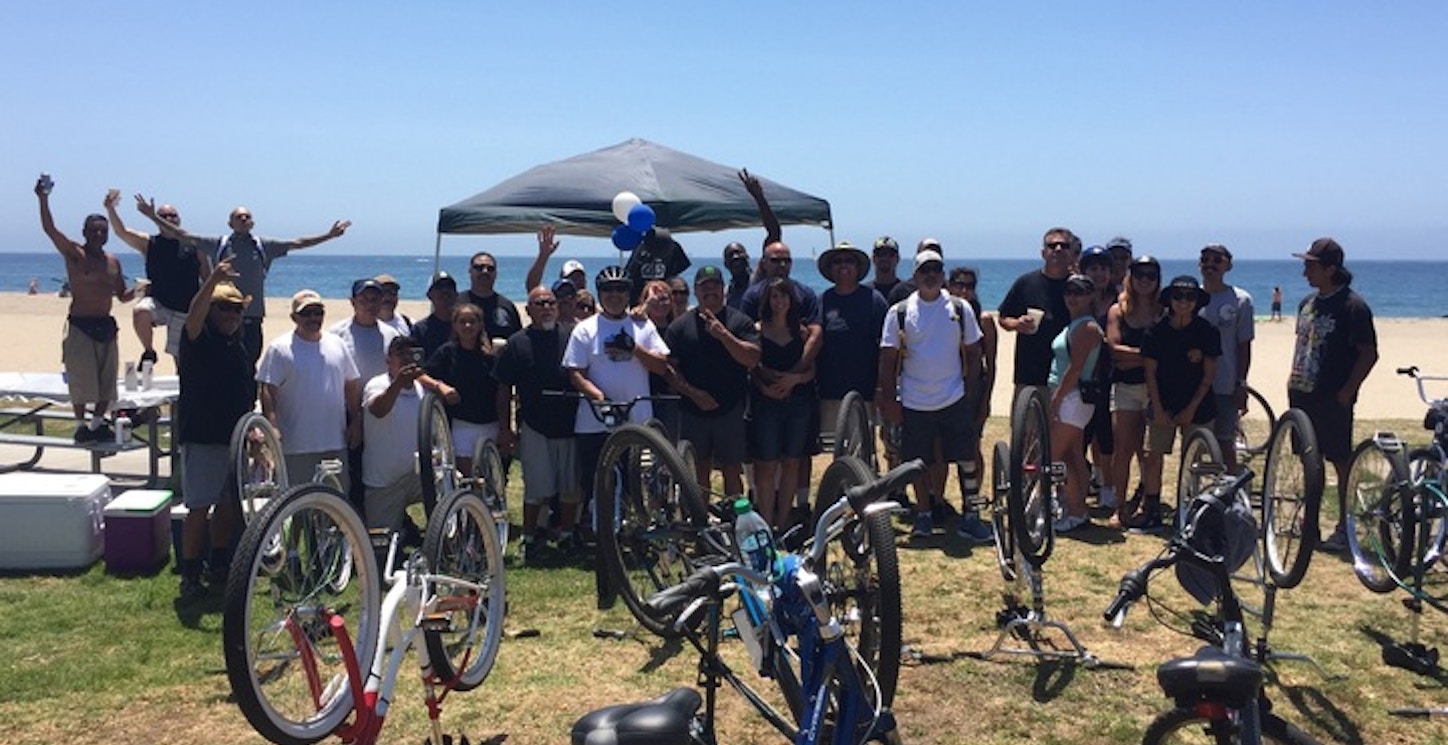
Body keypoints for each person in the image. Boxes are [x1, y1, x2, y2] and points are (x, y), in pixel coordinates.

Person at [140, 200, 349, 364]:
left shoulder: (263, 246)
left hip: (252, 318)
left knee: (247, 368)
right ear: (230, 223)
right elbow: (183, 234)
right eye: (238, 217)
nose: (243, 219)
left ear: (253, 222)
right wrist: (153, 218)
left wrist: (329, 236)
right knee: (218, 368)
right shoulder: (218, 244)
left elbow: (298, 243)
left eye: (247, 216)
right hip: (220, 318)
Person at [878, 250, 988, 542]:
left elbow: (975, 351)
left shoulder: (960, 308)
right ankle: (923, 515)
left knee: (966, 458)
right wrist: (890, 400)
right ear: (915, 275)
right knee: (917, 462)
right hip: (914, 400)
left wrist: (969, 388)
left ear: (942, 274)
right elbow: (888, 359)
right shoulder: (899, 313)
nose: (931, 275)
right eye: (924, 269)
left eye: (936, 269)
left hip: (953, 397)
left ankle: (972, 516)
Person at [563, 266, 671, 561]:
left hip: (638, 417)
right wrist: (597, 396)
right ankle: (602, 538)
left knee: (639, 480)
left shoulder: (643, 326)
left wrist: (634, 348)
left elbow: (661, 366)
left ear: (628, 294)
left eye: (620, 290)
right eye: (608, 290)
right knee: (598, 481)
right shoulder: (585, 329)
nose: (614, 296)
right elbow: (575, 372)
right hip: (595, 419)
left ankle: (638, 534)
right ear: (600, 294)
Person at [1288, 238, 1378, 553]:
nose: (1305, 272)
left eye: (1311, 265)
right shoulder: (1307, 304)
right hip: (1302, 395)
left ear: (1331, 268)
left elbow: (1368, 353)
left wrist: (1347, 391)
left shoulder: (1352, 307)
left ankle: (1344, 526)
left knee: (1340, 461)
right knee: (1309, 462)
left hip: (1332, 397)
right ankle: (1309, 525)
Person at [174, 259, 254, 598]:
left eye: (237, 310)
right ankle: (190, 571)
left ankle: (218, 562)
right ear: (210, 309)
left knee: (227, 505)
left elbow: (246, 394)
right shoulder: (196, 338)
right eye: (223, 308)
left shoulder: (238, 347)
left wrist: (253, 433)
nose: (231, 315)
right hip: (203, 437)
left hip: (234, 439)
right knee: (198, 507)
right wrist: (212, 282)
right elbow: (194, 312)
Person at [35, 178, 136, 443]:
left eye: (103, 231)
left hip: (106, 325)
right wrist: (43, 198)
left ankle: (97, 423)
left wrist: (142, 290)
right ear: (85, 231)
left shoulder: (113, 262)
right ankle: (81, 424)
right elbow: (49, 229)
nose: (99, 235)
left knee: (106, 380)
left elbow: (123, 296)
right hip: (80, 325)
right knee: (81, 379)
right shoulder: (75, 254)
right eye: (94, 231)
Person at [495, 285, 584, 561]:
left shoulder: (572, 338)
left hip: (571, 424)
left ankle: (567, 536)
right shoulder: (517, 343)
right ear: (528, 310)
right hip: (534, 425)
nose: (546, 307)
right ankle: (531, 537)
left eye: (550, 302)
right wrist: (505, 427)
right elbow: (503, 388)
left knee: (571, 488)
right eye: (539, 303)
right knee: (536, 488)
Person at [664, 265, 760, 499]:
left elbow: (752, 358)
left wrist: (724, 335)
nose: (710, 291)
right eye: (704, 286)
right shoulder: (679, 326)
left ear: (724, 289)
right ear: (696, 291)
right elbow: (669, 370)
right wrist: (694, 393)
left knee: (731, 469)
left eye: (715, 285)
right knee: (699, 469)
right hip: (692, 411)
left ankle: (734, 519)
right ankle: (700, 519)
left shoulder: (740, 322)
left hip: (730, 410)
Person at [1133, 275, 1220, 532]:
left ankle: (1192, 510)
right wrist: (1158, 408)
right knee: (1153, 456)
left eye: (1189, 297)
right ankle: (1152, 510)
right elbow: (1150, 373)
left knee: (1195, 460)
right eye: (1178, 296)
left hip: (1200, 405)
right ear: (1169, 300)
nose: (1183, 302)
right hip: (1163, 401)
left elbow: (1209, 374)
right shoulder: (1156, 331)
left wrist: (1191, 408)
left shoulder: (1207, 332)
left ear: (1197, 301)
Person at [257, 290, 362, 499]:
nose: (313, 318)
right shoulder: (280, 348)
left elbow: (351, 384)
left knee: (336, 504)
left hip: (334, 443)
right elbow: (267, 389)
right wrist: (272, 425)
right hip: (295, 446)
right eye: (307, 314)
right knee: (295, 507)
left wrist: (356, 421)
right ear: (294, 318)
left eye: (318, 312)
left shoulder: (337, 344)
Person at [362, 337, 455, 533]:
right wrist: (397, 384)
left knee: (454, 487)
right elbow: (378, 410)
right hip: (385, 481)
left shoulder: (422, 389)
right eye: (400, 355)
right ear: (389, 360)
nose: (406, 359)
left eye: (411, 354)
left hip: (419, 476)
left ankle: (450, 545)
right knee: (381, 546)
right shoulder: (377, 384)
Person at [749, 278, 818, 531]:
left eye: (784, 297)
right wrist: (764, 386)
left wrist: (794, 379)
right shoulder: (757, 330)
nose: (780, 302)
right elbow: (752, 368)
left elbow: (812, 371)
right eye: (775, 297)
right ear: (767, 300)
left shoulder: (801, 332)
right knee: (766, 464)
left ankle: (783, 522)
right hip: (765, 405)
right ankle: (766, 523)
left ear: (792, 300)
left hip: (798, 403)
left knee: (792, 462)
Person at [104, 192, 202, 367]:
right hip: (160, 303)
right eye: (164, 216)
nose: (169, 219)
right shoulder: (149, 243)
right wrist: (110, 209)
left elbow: (207, 276)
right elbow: (122, 232)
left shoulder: (192, 244)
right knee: (140, 311)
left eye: (173, 215)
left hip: (185, 307)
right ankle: (149, 351)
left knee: (182, 359)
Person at [330, 278, 401, 511]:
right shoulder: (337, 334)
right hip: (348, 414)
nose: (370, 304)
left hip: (381, 411)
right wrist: (354, 419)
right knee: (352, 468)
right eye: (364, 299)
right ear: (353, 302)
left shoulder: (391, 334)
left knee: (379, 467)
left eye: (375, 299)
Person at [1105, 255, 1163, 528]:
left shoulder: (1164, 310)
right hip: (1126, 386)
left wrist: (1136, 357)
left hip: (1157, 389)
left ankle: (1146, 502)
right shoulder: (1119, 310)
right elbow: (1113, 349)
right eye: (1140, 274)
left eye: (1151, 275)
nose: (1145, 280)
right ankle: (1119, 506)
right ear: (1131, 277)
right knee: (1123, 449)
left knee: (1150, 452)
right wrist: (1149, 357)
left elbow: (1168, 353)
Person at [816, 242, 889, 458]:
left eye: (849, 261)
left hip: (864, 392)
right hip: (829, 391)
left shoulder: (874, 300)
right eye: (837, 262)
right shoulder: (823, 300)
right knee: (838, 454)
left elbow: (885, 349)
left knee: (862, 453)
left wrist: (880, 389)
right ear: (830, 269)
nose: (843, 266)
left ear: (858, 267)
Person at [1046, 274, 1105, 533]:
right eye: (1069, 292)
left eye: (1079, 292)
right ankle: (1077, 509)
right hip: (1070, 396)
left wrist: (1056, 399)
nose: (1073, 297)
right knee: (1073, 455)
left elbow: (1075, 368)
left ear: (1090, 296)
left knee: (1055, 457)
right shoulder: (1076, 324)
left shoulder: (1087, 328)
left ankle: (1076, 511)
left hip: (1072, 397)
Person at [999, 227, 1077, 406]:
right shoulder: (1026, 283)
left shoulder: (1078, 287)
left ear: (1072, 253)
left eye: (1064, 246)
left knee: (1062, 433)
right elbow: (1004, 317)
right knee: (1026, 431)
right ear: (1043, 253)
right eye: (1052, 245)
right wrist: (1017, 324)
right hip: (1029, 375)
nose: (1058, 249)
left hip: (1068, 378)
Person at [948, 265, 997, 533]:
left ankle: (972, 503)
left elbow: (992, 363)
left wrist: (986, 399)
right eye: (958, 284)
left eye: (969, 285)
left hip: (974, 388)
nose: (964, 290)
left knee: (972, 448)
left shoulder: (984, 319)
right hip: (946, 386)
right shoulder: (945, 314)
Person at [423, 303, 496, 482]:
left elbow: (502, 390)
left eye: (472, 321)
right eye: (462, 322)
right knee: (467, 479)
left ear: (480, 325)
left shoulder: (491, 355)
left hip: (491, 424)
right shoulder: (447, 352)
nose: (467, 326)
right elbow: (421, 375)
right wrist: (440, 386)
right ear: (455, 325)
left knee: (490, 481)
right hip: (462, 424)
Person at [1198, 243, 1255, 472]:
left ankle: (1231, 495)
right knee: (1196, 442)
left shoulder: (1240, 300)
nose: (1210, 264)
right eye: (1205, 259)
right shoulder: (1189, 297)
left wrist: (1241, 383)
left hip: (1225, 384)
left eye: (1217, 260)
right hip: (1194, 385)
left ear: (1228, 265)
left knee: (1225, 442)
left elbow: (1243, 346)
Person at [1078, 245, 1117, 507]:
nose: (1099, 274)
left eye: (1103, 268)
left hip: (1111, 377)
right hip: (1082, 377)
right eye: (1093, 268)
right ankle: (1080, 487)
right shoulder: (1077, 300)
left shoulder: (1120, 301)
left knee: (1107, 438)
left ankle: (1108, 488)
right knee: (1080, 435)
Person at [463, 252, 523, 343]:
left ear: (496, 274)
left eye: (490, 268)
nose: (485, 271)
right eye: (479, 268)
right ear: (470, 271)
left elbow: (517, 340)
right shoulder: (457, 303)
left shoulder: (507, 306)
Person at [623, 227, 692, 305]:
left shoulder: (673, 246)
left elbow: (677, 271)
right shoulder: (640, 247)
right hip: (640, 298)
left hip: (663, 300)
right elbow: (630, 273)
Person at [409, 271, 459, 359]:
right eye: (439, 287)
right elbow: (416, 362)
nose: (445, 290)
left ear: (456, 294)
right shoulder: (420, 330)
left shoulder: (464, 326)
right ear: (429, 295)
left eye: (449, 286)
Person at [524, 225, 586, 292]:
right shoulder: (555, 300)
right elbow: (533, 288)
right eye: (572, 279)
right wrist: (543, 255)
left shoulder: (588, 301)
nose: (576, 284)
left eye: (581, 280)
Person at [885, 238, 945, 305]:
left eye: (935, 252)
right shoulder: (900, 291)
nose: (931, 255)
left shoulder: (953, 289)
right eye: (926, 268)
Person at [723, 242, 753, 310]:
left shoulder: (759, 282)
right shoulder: (727, 292)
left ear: (747, 257)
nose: (735, 257)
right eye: (730, 255)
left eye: (738, 253)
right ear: (725, 264)